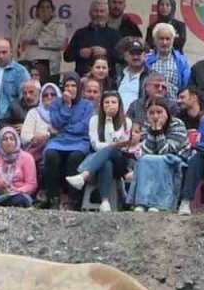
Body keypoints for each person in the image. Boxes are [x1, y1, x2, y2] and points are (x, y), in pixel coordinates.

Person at [65, 90, 131, 211]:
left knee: (111, 150)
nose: (110, 105)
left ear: (119, 105)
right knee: (106, 162)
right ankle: (105, 202)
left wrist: (109, 120)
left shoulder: (127, 122)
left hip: (120, 160)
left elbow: (119, 144)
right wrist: (109, 146)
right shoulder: (94, 120)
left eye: (113, 102)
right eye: (106, 102)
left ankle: (84, 175)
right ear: (101, 105)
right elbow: (95, 144)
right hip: (101, 159)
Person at [41, 74, 95, 209]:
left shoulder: (87, 105)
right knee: (51, 154)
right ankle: (53, 197)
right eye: (67, 86)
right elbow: (56, 122)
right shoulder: (56, 103)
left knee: (75, 157)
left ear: (79, 88)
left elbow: (83, 127)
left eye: (73, 85)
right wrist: (67, 106)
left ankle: (73, 199)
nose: (70, 89)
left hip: (79, 141)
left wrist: (64, 129)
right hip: (59, 140)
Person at [129, 96, 189, 211]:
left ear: (167, 112)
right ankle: (142, 202)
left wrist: (159, 130)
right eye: (151, 113)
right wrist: (153, 129)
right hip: (155, 159)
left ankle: (159, 203)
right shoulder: (147, 125)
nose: (155, 116)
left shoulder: (177, 124)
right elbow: (147, 151)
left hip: (176, 160)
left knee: (161, 160)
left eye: (159, 112)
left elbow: (166, 151)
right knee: (144, 159)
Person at [0, 39, 30, 127]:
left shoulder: (20, 72)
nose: (0, 56)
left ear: (11, 52)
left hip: (8, 122)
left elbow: (26, 99)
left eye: (4, 52)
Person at [64, 0, 120, 76]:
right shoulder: (80, 33)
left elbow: (122, 57)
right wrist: (79, 53)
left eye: (102, 11)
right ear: (90, 13)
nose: (99, 14)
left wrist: (105, 52)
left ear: (107, 14)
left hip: (107, 80)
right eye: (96, 11)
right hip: (83, 78)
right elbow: (67, 56)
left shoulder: (114, 34)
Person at [18, 0, 68, 78]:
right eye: (42, 7)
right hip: (32, 62)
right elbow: (27, 37)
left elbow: (59, 42)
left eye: (48, 7)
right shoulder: (30, 24)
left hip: (51, 65)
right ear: (37, 10)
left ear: (52, 11)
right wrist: (40, 22)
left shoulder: (59, 25)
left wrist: (38, 41)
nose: (45, 10)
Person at [144, 23, 190, 100]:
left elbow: (186, 86)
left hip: (173, 106)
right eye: (161, 39)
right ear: (154, 40)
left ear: (173, 40)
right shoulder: (146, 60)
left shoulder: (182, 62)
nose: (165, 42)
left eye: (168, 39)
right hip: (150, 106)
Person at [22, 83, 58, 159]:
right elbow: (24, 136)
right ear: (41, 97)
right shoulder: (34, 112)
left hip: (57, 148)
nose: (49, 97)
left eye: (53, 94)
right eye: (45, 95)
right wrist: (33, 138)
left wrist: (47, 136)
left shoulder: (64, 113)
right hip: (37, 149)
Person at [116, 39, 151, 112]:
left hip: (138, 119)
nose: (136, 57)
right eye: (132, 53)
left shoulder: (151, 76)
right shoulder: (118, 76)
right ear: (125, 56)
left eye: (139, 54)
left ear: (144, 55)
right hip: (118, 119)